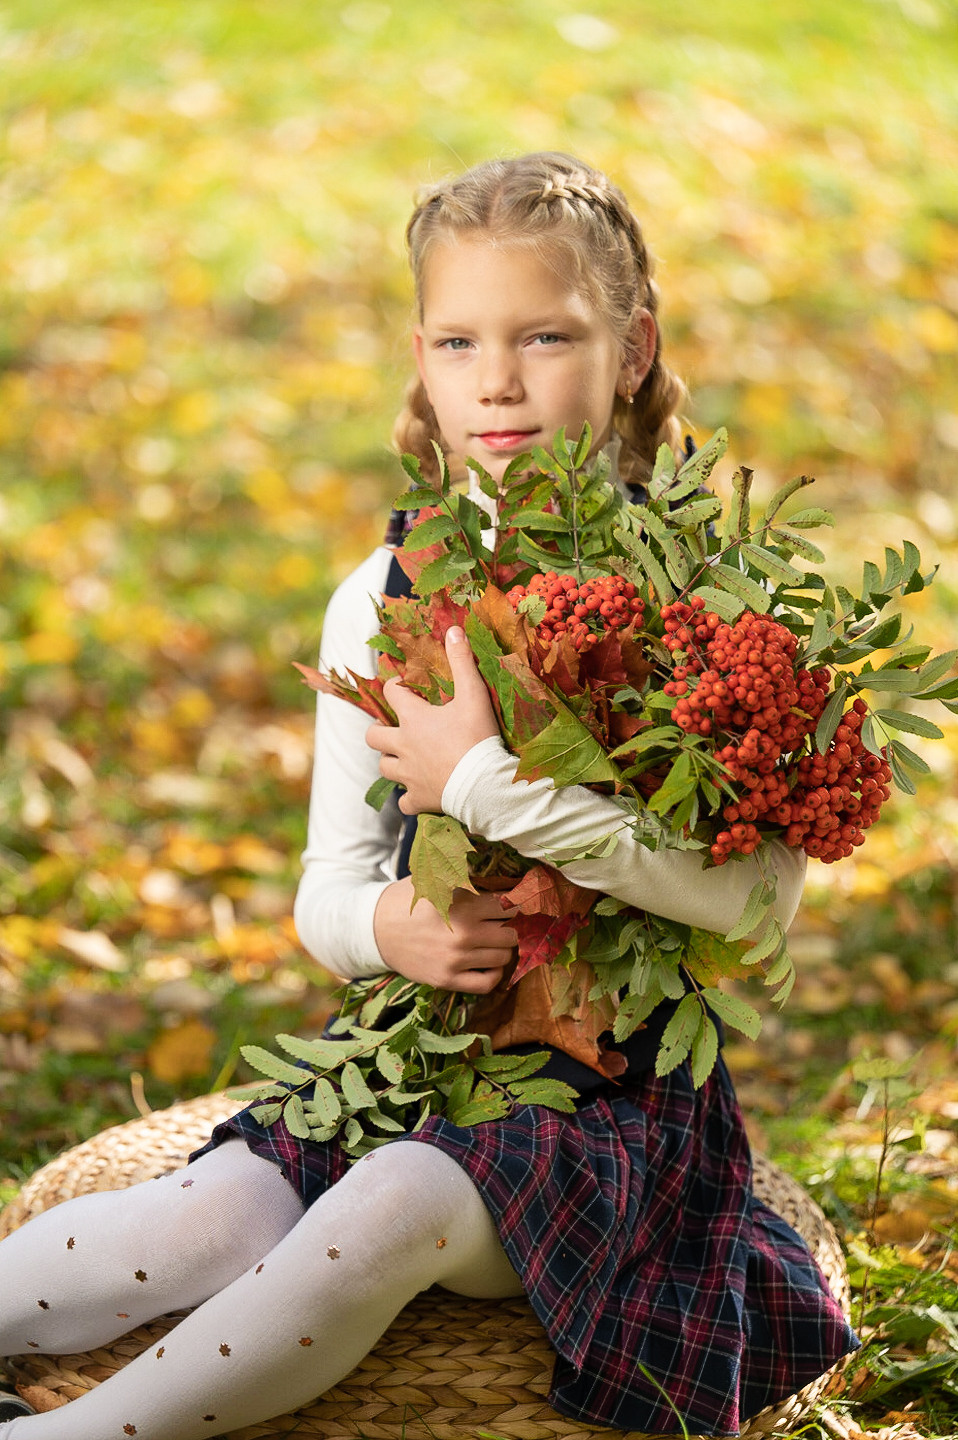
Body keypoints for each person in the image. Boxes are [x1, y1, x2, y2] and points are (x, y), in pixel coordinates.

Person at [0, 152, 858, 1439]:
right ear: (422, 356)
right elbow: (328, 891)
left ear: (633, 351)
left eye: (545, 336)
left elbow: (750, 911)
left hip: (604, 1104)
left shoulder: (712, 604)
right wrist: (384, 931)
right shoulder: (384, 593)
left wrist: (480, 784)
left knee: (387, 1207)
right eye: (458, 341)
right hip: (407, 1058)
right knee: (205, 1218)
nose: (497, 379)